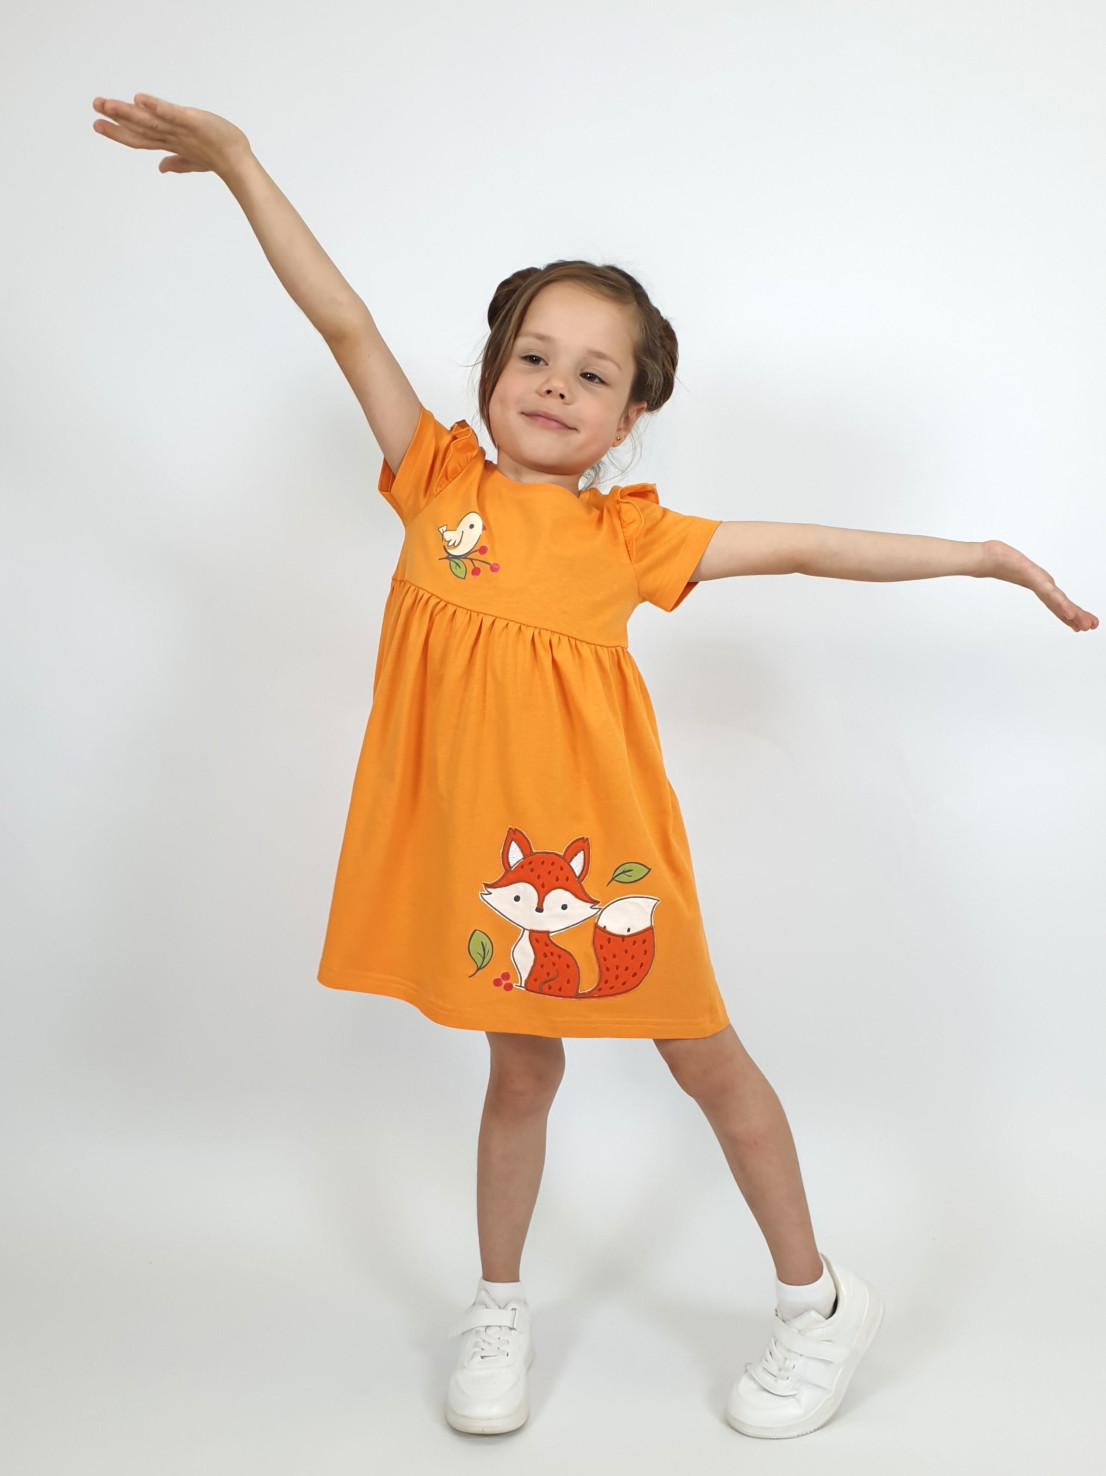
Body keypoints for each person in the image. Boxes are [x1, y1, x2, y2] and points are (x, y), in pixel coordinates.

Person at [91, 92, 1099, 1442]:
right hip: (498, 872)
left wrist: (977, 557)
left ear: (631, 414)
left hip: (608, 870)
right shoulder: (434, 482)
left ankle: (815, 1300)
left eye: (592, 374)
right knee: (520, 1075)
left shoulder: (630, 538)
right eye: (533, 356)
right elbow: (342, 321)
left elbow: (810, 546)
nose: (555, 386)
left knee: (708, 1065)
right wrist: (238, 165)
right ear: (490, 371)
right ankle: (498, 1303)